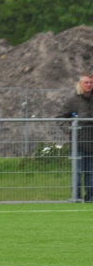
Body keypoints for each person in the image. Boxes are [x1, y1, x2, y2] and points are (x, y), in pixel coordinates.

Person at [57, 73, 93, 202]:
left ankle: (90, 197)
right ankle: (76, 197)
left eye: (91, 82)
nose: (89, 85)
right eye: (86, 82)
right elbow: (60, 117)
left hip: (92, 143)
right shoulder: (73, 100)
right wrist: (71, 131)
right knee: (77, 171)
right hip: (78, 142)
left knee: (91, 172)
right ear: (80, 84)